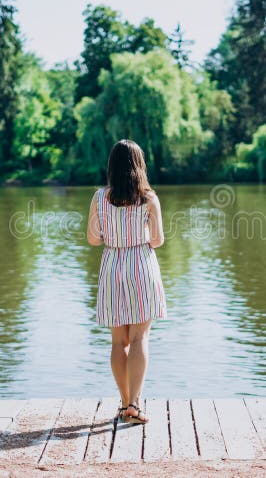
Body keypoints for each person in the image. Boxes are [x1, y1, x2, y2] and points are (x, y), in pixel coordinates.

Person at [86, 139, 166, 424]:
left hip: (112, 266)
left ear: (112, 166)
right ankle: (135, 404)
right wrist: (140, 232)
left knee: (119, 342)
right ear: (139, 166)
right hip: (141, 265)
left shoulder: (98, 198)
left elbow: (93, 239)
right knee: (140, 337)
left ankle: (123, 404)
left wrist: (114, 235)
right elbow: (157, 241)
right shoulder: (149, 198)